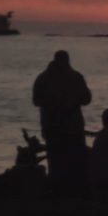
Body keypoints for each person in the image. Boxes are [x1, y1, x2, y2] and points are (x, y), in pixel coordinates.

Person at [33, 50, 92, 194]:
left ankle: (58, 189)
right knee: (75, 160)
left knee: (56, 160)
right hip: (72, 127)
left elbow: (36, 101)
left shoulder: (43, 78)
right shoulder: (76, 77)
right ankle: (74, 190)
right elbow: (87, 99)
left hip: (52, 126)